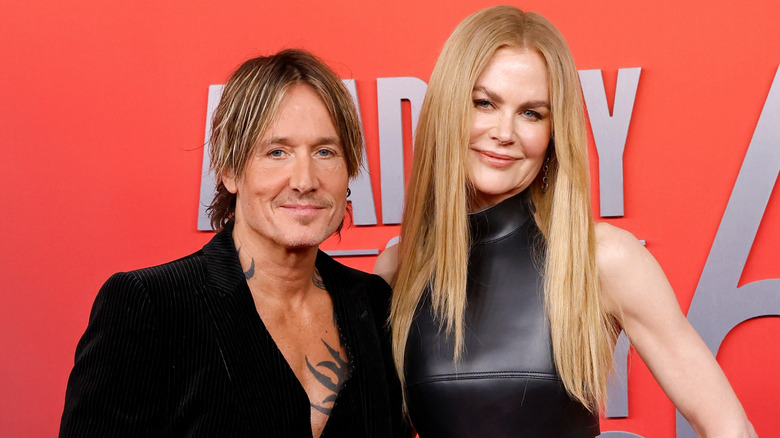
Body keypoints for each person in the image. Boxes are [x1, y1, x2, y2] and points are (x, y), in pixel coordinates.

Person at [374, 6, 756, 437]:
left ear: (554, 135)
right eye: (484, 103)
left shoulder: (601, 259)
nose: (505, 132)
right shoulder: (397, 271)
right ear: (447, 111)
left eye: (532, 113)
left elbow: (729, 426)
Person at [60, 49, 408, 438]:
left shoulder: (375, 305)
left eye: (325, 152)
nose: (305, 179)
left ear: (348, 171)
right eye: (277, 152)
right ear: (230, 170)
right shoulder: (149, 306)